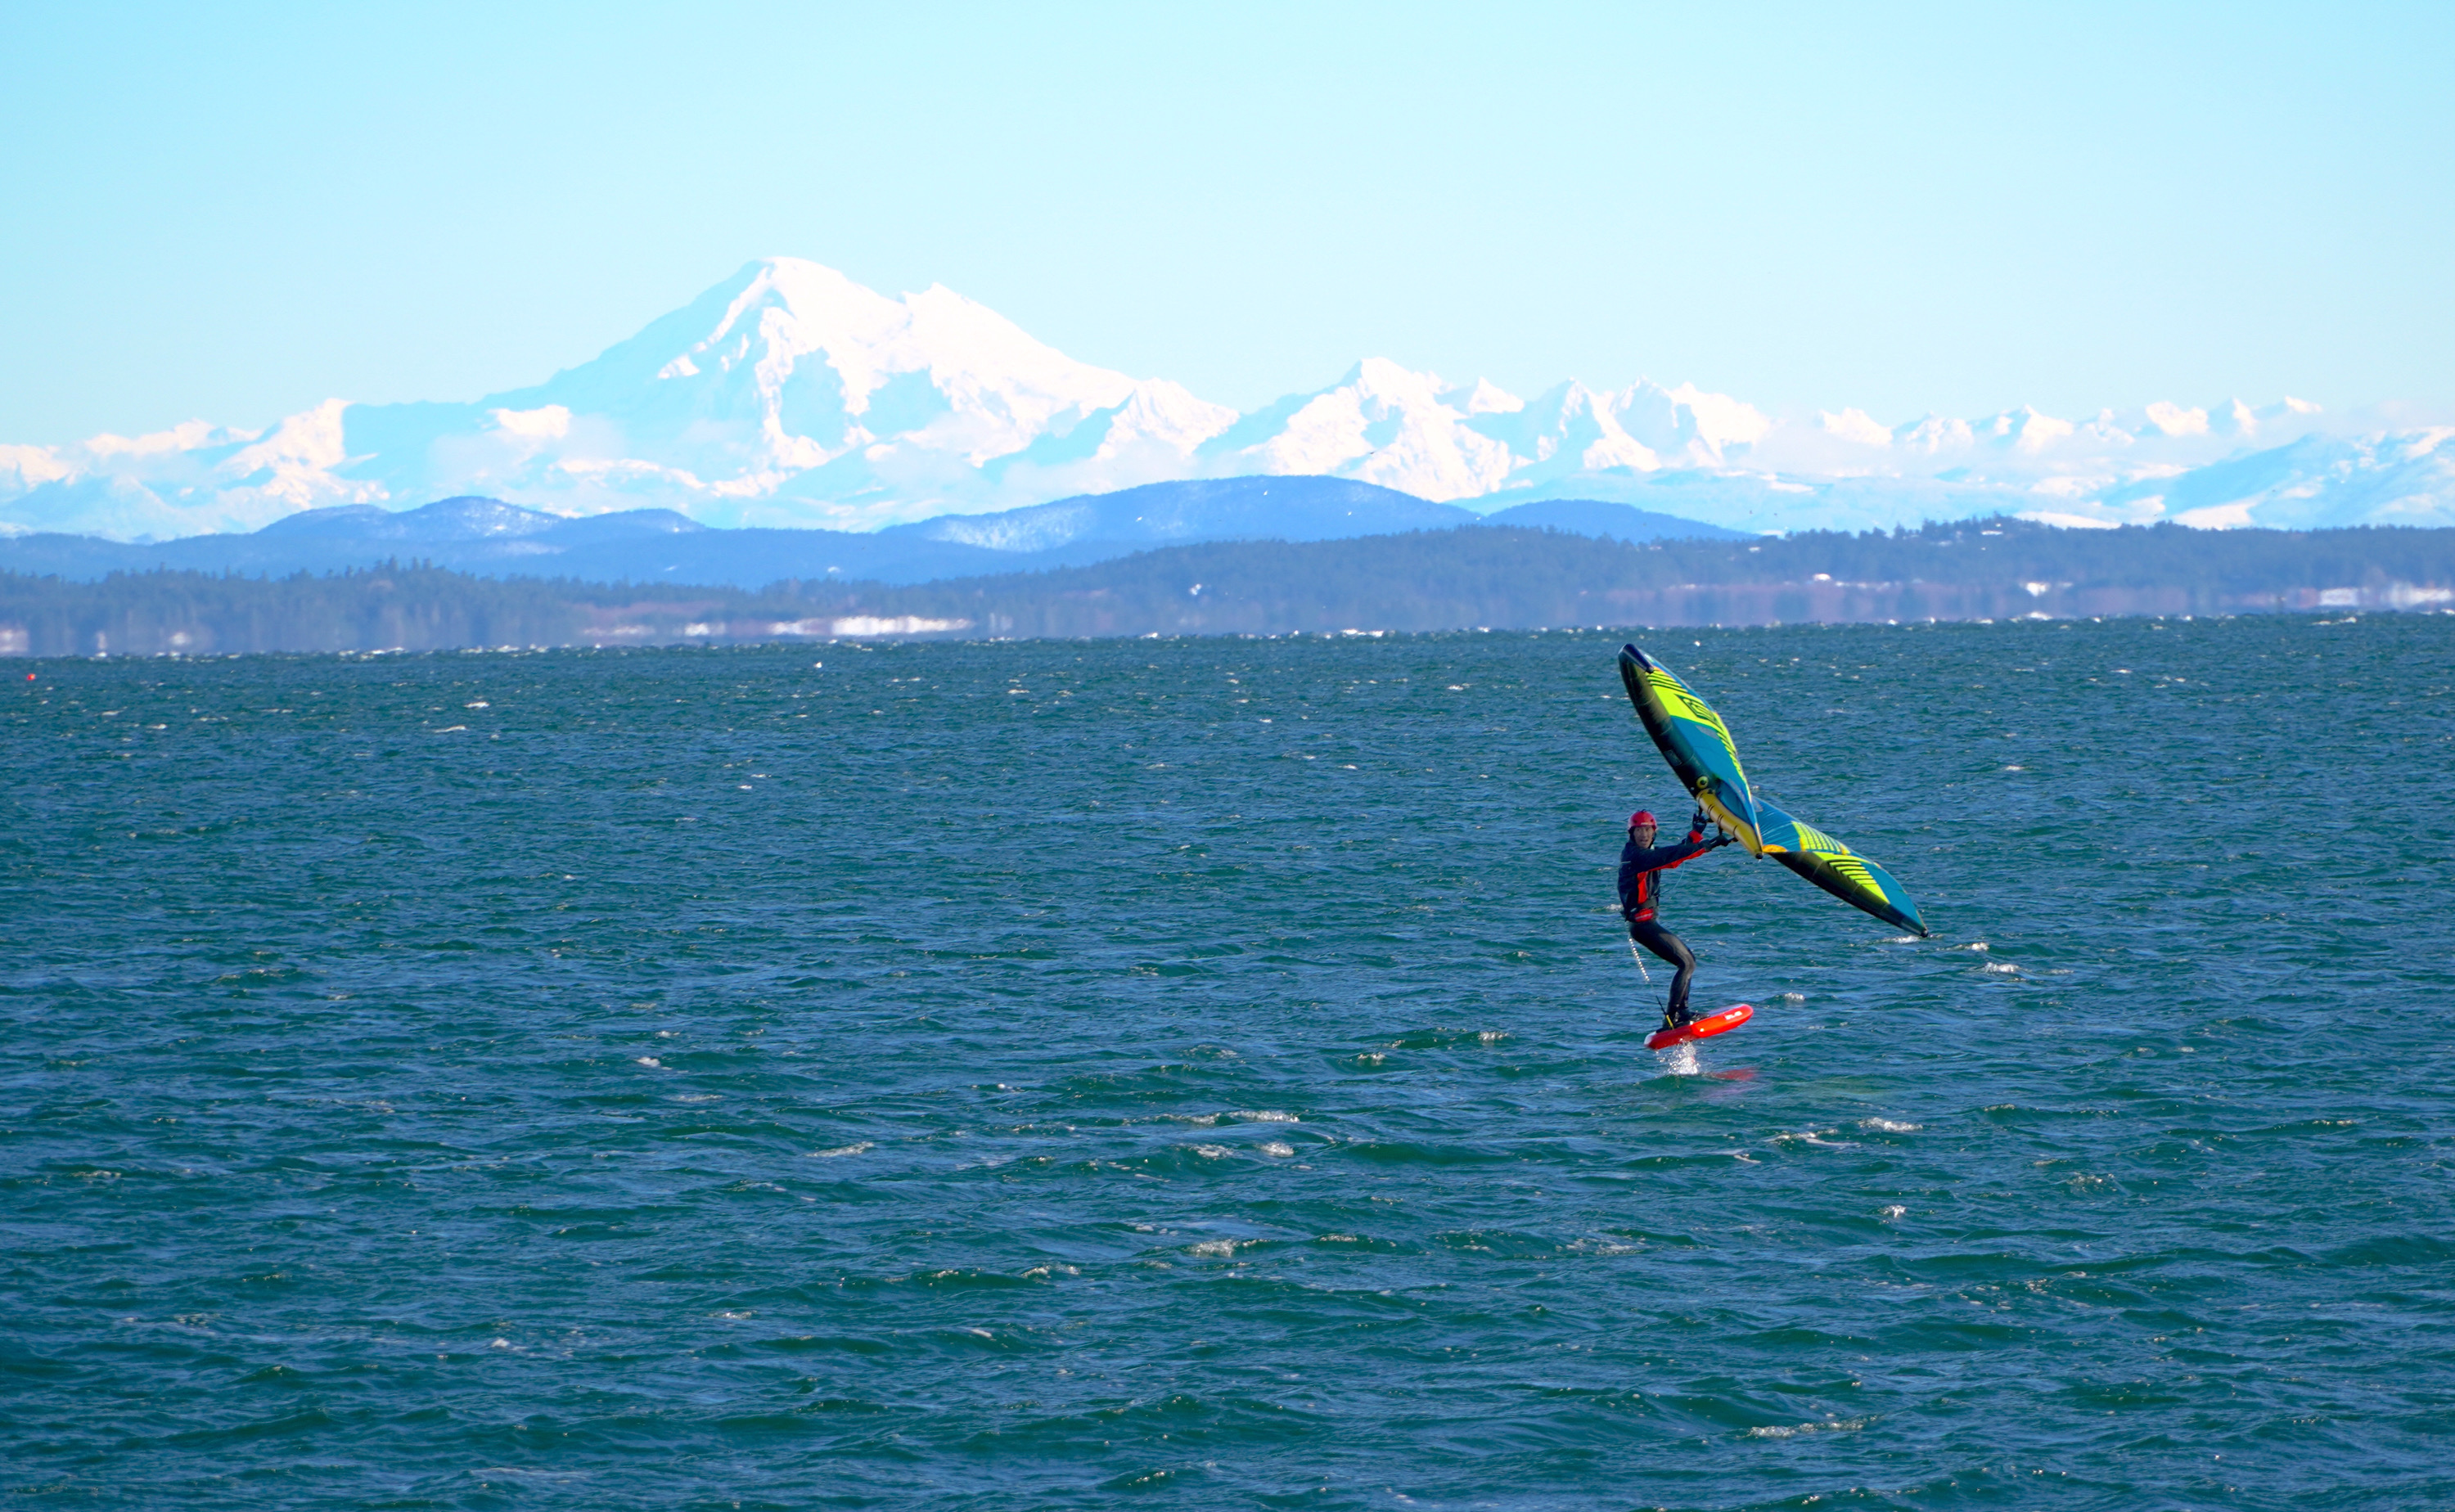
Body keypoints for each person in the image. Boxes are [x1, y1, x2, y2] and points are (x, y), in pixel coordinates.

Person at [1619, 806, 1736, 1030]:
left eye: (1648, 830)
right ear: (1631, 834)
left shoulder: (1646, 855)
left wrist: (1696, 835)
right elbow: (1670, 856)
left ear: (1654, 832)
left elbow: (1671, 858)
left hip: (1645, 923)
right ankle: (1675, 1016)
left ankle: (1680, 1013)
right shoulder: (1637, 857)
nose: (1643, 834)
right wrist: (1707, 845)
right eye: (1639, 831)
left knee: (1688, 962)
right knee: (1686, 963)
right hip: (1642, 926)